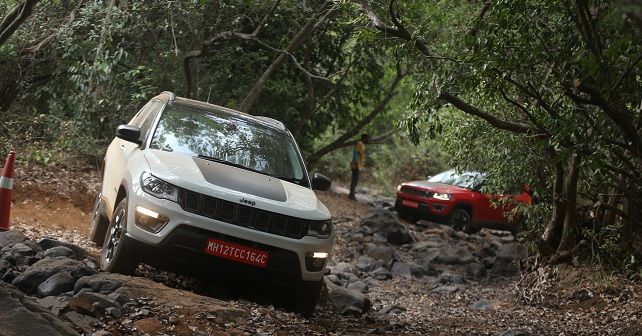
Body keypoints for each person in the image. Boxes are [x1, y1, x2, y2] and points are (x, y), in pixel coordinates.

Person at [349, 133, 369, 200]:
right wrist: (356, 163)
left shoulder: (362, 145)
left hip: (358, 165)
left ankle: (352, 194)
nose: (368, 140)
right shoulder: (359, 143)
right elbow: (356, 153)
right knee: (354, 180)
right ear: (364, 138)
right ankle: (351, 195)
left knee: (355, 181)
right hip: (356, 165)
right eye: (367, 139)